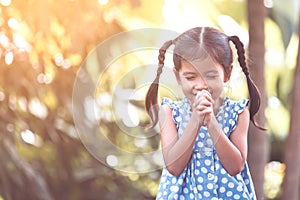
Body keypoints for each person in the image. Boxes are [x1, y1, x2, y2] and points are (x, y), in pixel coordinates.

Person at [145, 27, 265, 200]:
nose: (201, 85)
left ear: (227, 73)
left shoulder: (238, 113)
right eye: (191, 77)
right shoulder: (170, 112)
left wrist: (211, 123)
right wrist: (195, 120)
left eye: (210, 75)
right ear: (178, 77)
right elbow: (174, 166)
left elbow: (235, 166)